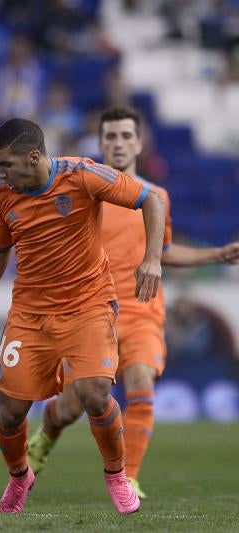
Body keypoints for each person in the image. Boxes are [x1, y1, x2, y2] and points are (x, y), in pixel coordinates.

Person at [0, 118, 166, 514]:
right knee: (10, 412)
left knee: (94, 395)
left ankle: (117, 476)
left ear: (33, 157)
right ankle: (19, 479)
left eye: (5, 164)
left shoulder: (83, 175)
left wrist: (152, 259)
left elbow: (149, 199)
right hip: (30, 313)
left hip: (89, 305)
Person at [27, 107, 239, 498]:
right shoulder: (84, 190)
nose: (119, 143)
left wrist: (216, 255)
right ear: (100, 143)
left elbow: (164, 251)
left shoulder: (156, 197)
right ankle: (49, 431)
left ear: (139, 143)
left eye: (126, 136)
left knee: (142, 381)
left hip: (142, 310)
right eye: (111, 137)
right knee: (73, 406)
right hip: (92, 313)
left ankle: (129, 477)